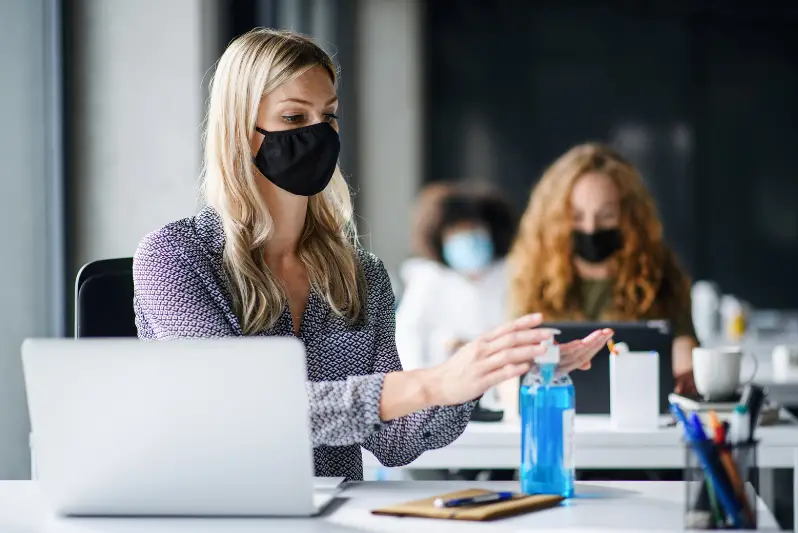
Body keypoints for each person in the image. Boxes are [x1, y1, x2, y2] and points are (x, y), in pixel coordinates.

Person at [131, 29, 614, 482]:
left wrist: (481, 374)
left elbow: (395, 442)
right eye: (295, 118)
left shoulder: (359, 273)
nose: (318, 133)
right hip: (220, 516)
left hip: (338, 519)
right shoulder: (174, 258)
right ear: (240, 129)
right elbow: (241, 410)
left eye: (329, 116)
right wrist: (433, 383)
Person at [509, 142, 697, 395]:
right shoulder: (532, 276)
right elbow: (512, 364)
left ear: (629, 217)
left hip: (640, 415)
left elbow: (682, 343)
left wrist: (687, 371)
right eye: (576, 217)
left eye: (606, 215)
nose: (590, 228)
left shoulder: (660, 272)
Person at [396, 185, 516, 408]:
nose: (467, 238)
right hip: (440, 395)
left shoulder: (512, 273)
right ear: (439, 237)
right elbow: (407, 336)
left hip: (501, 396)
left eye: (473, 229)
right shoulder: (428, 278)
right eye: (456, 232)